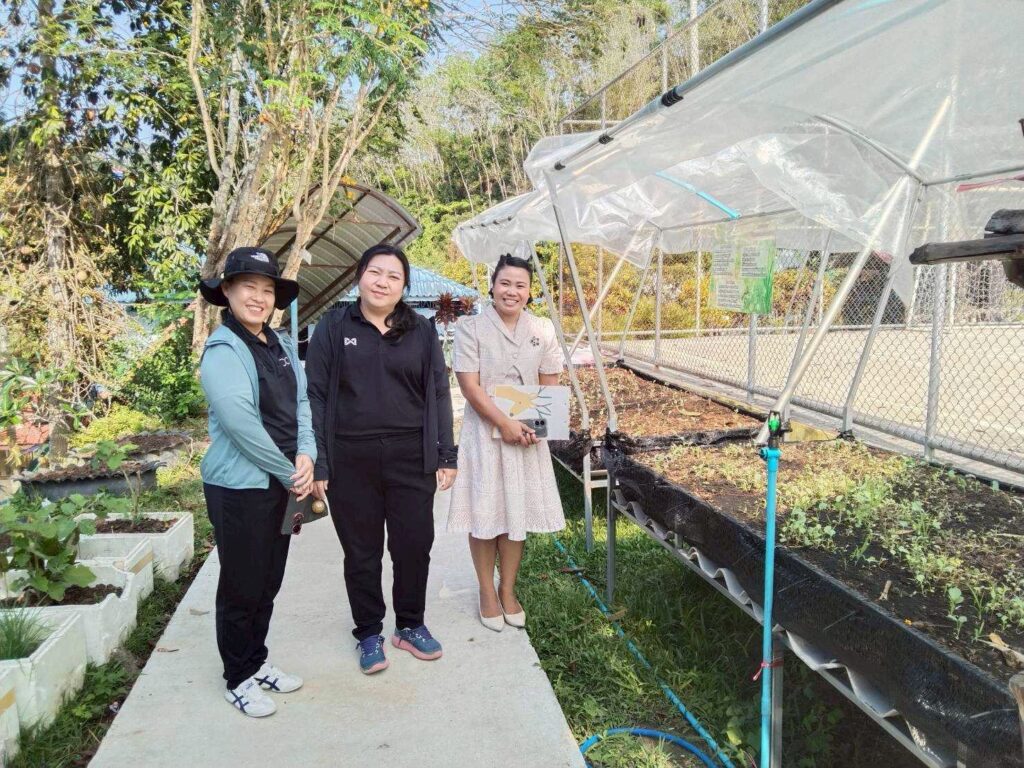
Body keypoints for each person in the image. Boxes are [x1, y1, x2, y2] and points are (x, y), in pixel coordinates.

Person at [306, 243, 457, 674]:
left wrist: (447, 454)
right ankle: (368, 631)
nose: (382, 282)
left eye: (393, 276)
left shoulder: (421, 331)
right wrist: (319, 461)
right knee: (361, 552)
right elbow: (315, 395)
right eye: (375, 272)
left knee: (414, 545)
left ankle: (409, 625)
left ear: (404, 285)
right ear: (360, 276)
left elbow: (438, 392)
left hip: (411, 457)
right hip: (350, 458)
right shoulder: (334, 326)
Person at [198, 246, 317, 718]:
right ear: (227, 291)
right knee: (242, 584)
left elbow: (303, 403)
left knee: (268, 579)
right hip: (241, 489)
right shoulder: (223, 350)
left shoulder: (281, 344)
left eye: (267, 290)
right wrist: (291, 472)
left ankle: (257, 661)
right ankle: (237, 677)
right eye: (248, 286)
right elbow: (241, 425)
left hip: (284, 483)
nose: (259, 297)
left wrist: (307, 453)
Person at [446, 253, 566, 631]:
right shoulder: (471, 328)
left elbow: (549, 381)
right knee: (485, 512)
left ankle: (507, 589)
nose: (511, 291)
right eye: (505, 283)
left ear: (529, 292)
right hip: (484, 434)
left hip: (526, 435)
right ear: (492, 286)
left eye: (520, 285)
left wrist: (532, 427)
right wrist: (504, 422)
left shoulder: (542, 328)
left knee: (516, 512)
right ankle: (486, 591)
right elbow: (470, 386)